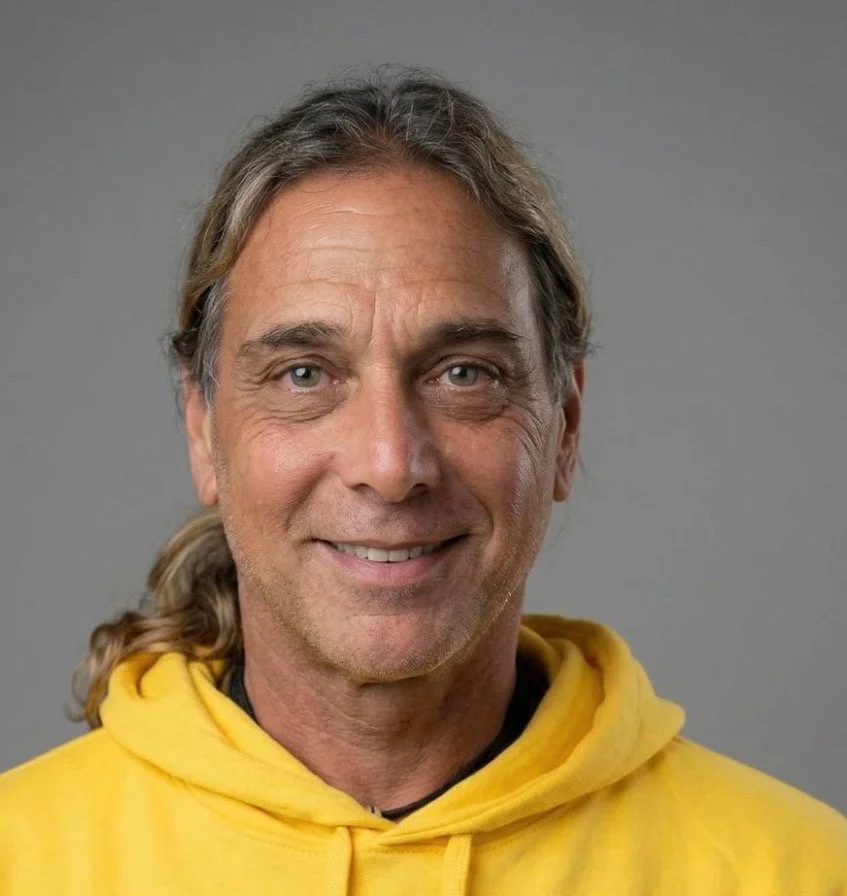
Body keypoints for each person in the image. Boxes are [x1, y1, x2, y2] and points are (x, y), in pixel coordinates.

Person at [1, 67, 844, 896]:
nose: (389, 465)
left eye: (464, 374)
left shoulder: (801, 871)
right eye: (303, 375)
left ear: (566, 424)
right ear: (202, 428)